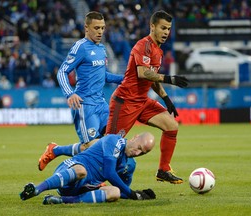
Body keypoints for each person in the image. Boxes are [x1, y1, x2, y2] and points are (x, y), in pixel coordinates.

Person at [105, 10, 189, 184]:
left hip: (142, 101)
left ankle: (163, 170)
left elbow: (152, 78)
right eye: (163, 28)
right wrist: (170, 79)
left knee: (171, 126)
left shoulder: (158, 50)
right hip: (125, 101)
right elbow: (143, 73)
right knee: (109, 146)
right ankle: (92, 178)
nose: (166, 32)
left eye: (168, 29)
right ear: (152, 26)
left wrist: (166, 99)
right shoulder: (143, 45)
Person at [38, 11, 123, 171]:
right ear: (86, 27)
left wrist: (123, 78)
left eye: (103, 28)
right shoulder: (80, 47)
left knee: (112, 141)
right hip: (85, 105)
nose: (100, 31)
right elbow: (62, 71)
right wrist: (70, 93)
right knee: (91, 146)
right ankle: (59, 154)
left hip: (102, 104)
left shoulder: (102, 48)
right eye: (96, 28)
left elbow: (102, 75)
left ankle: (56, 150)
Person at [20, 132, 156, 204]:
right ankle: (38, 189)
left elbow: (122, 191)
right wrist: (133, 194)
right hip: (70, 171)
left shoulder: (130, 165)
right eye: (139, 148)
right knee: (81, 171)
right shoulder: (114, 141)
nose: (138, 153)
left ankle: (61, 201)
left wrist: (140, 194)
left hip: (86, 188)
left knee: (114, 192)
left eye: (142, 152)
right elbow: (109, 173)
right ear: (135, 137)